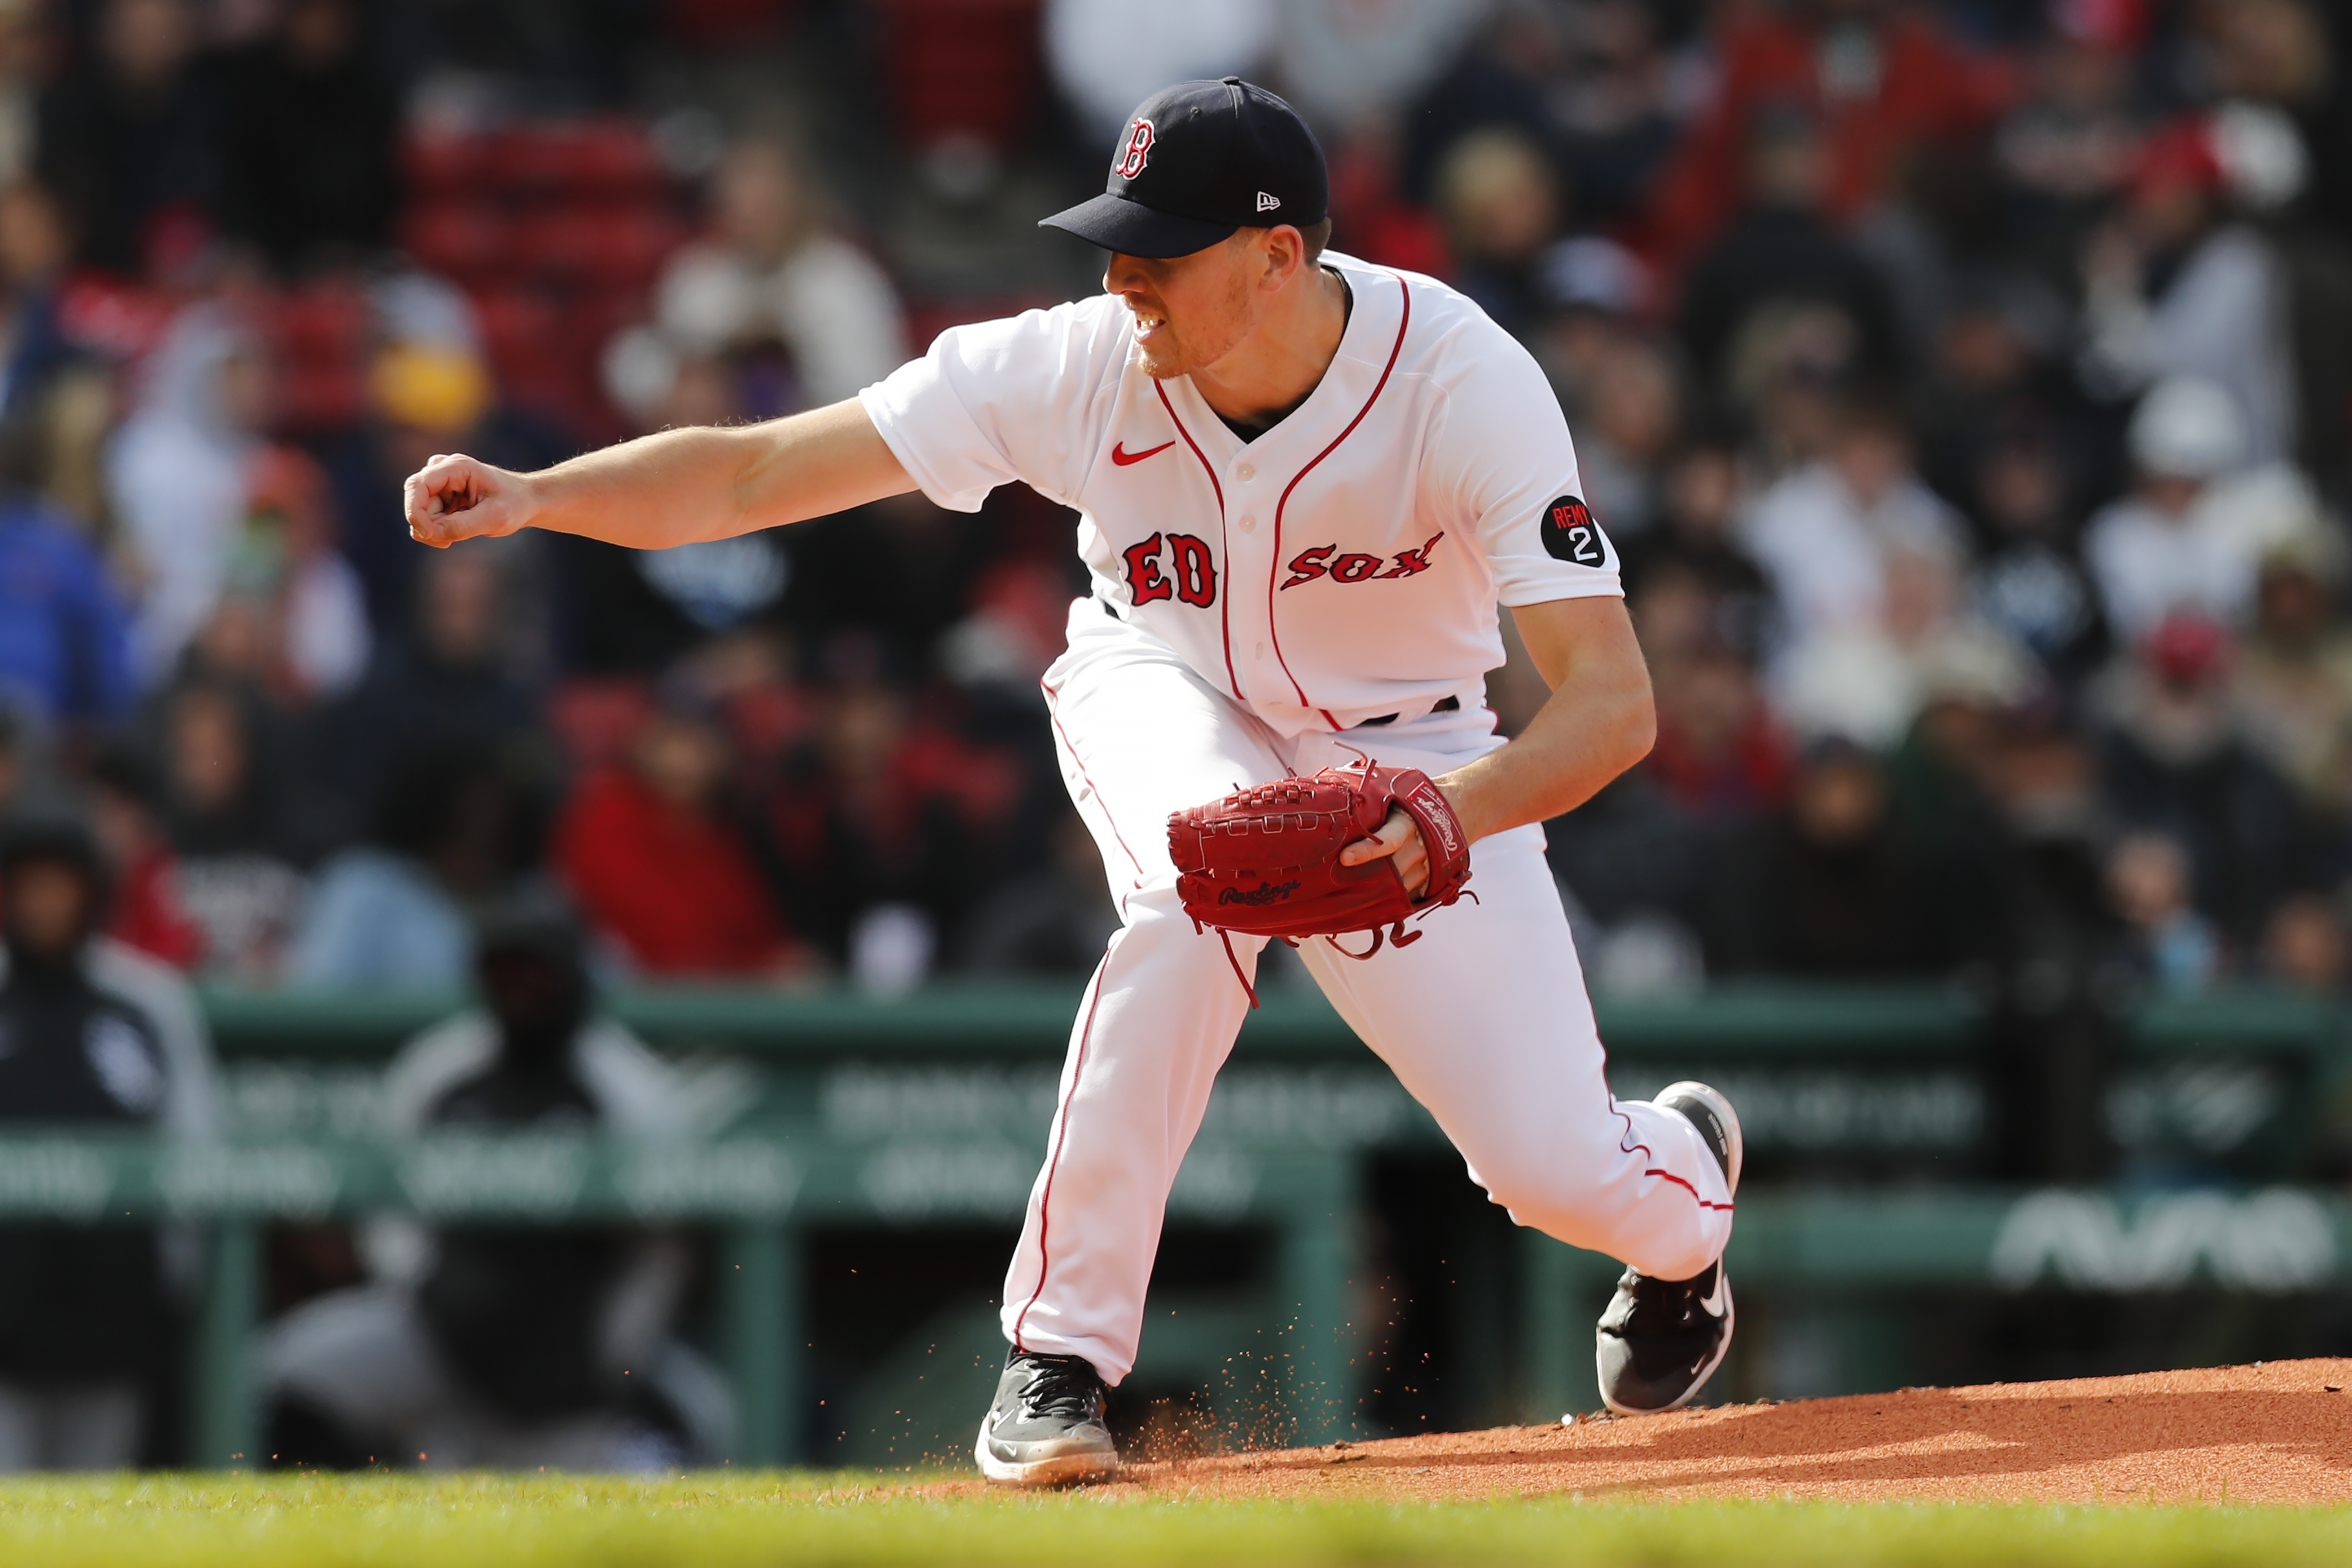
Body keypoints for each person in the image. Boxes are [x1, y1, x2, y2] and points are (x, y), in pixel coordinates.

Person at [403, 78, 1739, 1482]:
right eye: (1115, 240)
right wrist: (543, 492)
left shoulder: (1459, 382)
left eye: (1159, 251)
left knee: (1550, 1167)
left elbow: (1613, 706)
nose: (1122, 278)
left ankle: (1686, 1191)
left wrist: (1439, 813)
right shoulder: (1077, 364)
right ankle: (1058, 1357)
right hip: (1160, 678)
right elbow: (751, 477)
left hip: (1413, 746)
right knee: (1190, 890)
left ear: (1277, 257)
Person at [262, 895, 729, 1469]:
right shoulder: (443, 1070)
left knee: (701, 1427)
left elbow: (662, 1252)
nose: (521, 989)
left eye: (537, 972)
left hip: (568, 1358)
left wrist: (615, 1349)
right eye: (505, 971)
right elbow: (391, 1206)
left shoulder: (628, 1090)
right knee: (284, 1378)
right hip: (439, 1332)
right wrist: (425, 1296)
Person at [0, 812, 220, 1470]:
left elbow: (195, 1145)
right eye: (28, 885)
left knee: (95, 1527)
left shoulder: (147, 1000)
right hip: (2, 1314)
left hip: (113, 1312)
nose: (44, 903)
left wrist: (175, 1282)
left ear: (91, 891)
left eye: (59, 885)